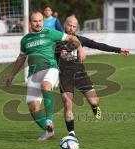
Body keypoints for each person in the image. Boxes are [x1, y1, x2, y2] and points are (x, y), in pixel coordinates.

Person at [5, 11, 85, 141]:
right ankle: (49, 131)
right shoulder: (25, 40)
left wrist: (80, 49)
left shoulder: (50, 33)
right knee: (33, 108)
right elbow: (21, 58)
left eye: (40, 21)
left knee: (45, 86)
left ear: (43, 21)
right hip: (33, 74)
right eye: (35, 21)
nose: (38, 23)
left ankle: (49, 120)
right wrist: (11, 75)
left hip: (51, 69)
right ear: (30, 23)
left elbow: (72, 38)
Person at [56, 16, 130, 137]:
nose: (72, 28)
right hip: (65, 77)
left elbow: (99, 45)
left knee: (94, 101)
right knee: (68, 105)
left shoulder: (80, 39)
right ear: (65, 24)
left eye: (74, 26)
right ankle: (71, 133)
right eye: (70, 25)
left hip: (81, 75)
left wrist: (118, 50)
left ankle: (95, 108)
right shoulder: (57, 40)